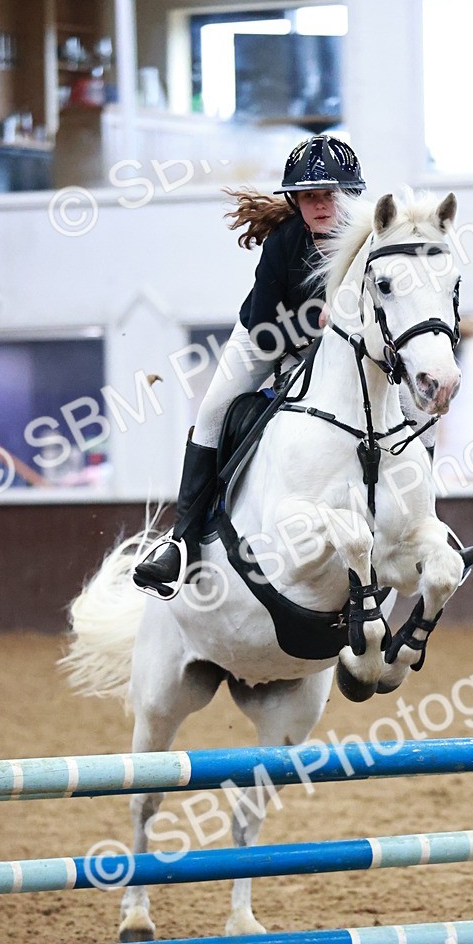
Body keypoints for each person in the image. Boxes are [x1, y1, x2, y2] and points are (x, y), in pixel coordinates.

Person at [133, 134, 366, 597]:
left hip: (338, 349)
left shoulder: (368, 245)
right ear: (297, 201)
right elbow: (263, 327)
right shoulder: (283, 243)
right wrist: (313, 333)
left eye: (330, 195)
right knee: (213, 411)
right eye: (309, 196)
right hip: (264, 340)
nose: (320, 206)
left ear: (350, 197)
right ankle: (181, 541)